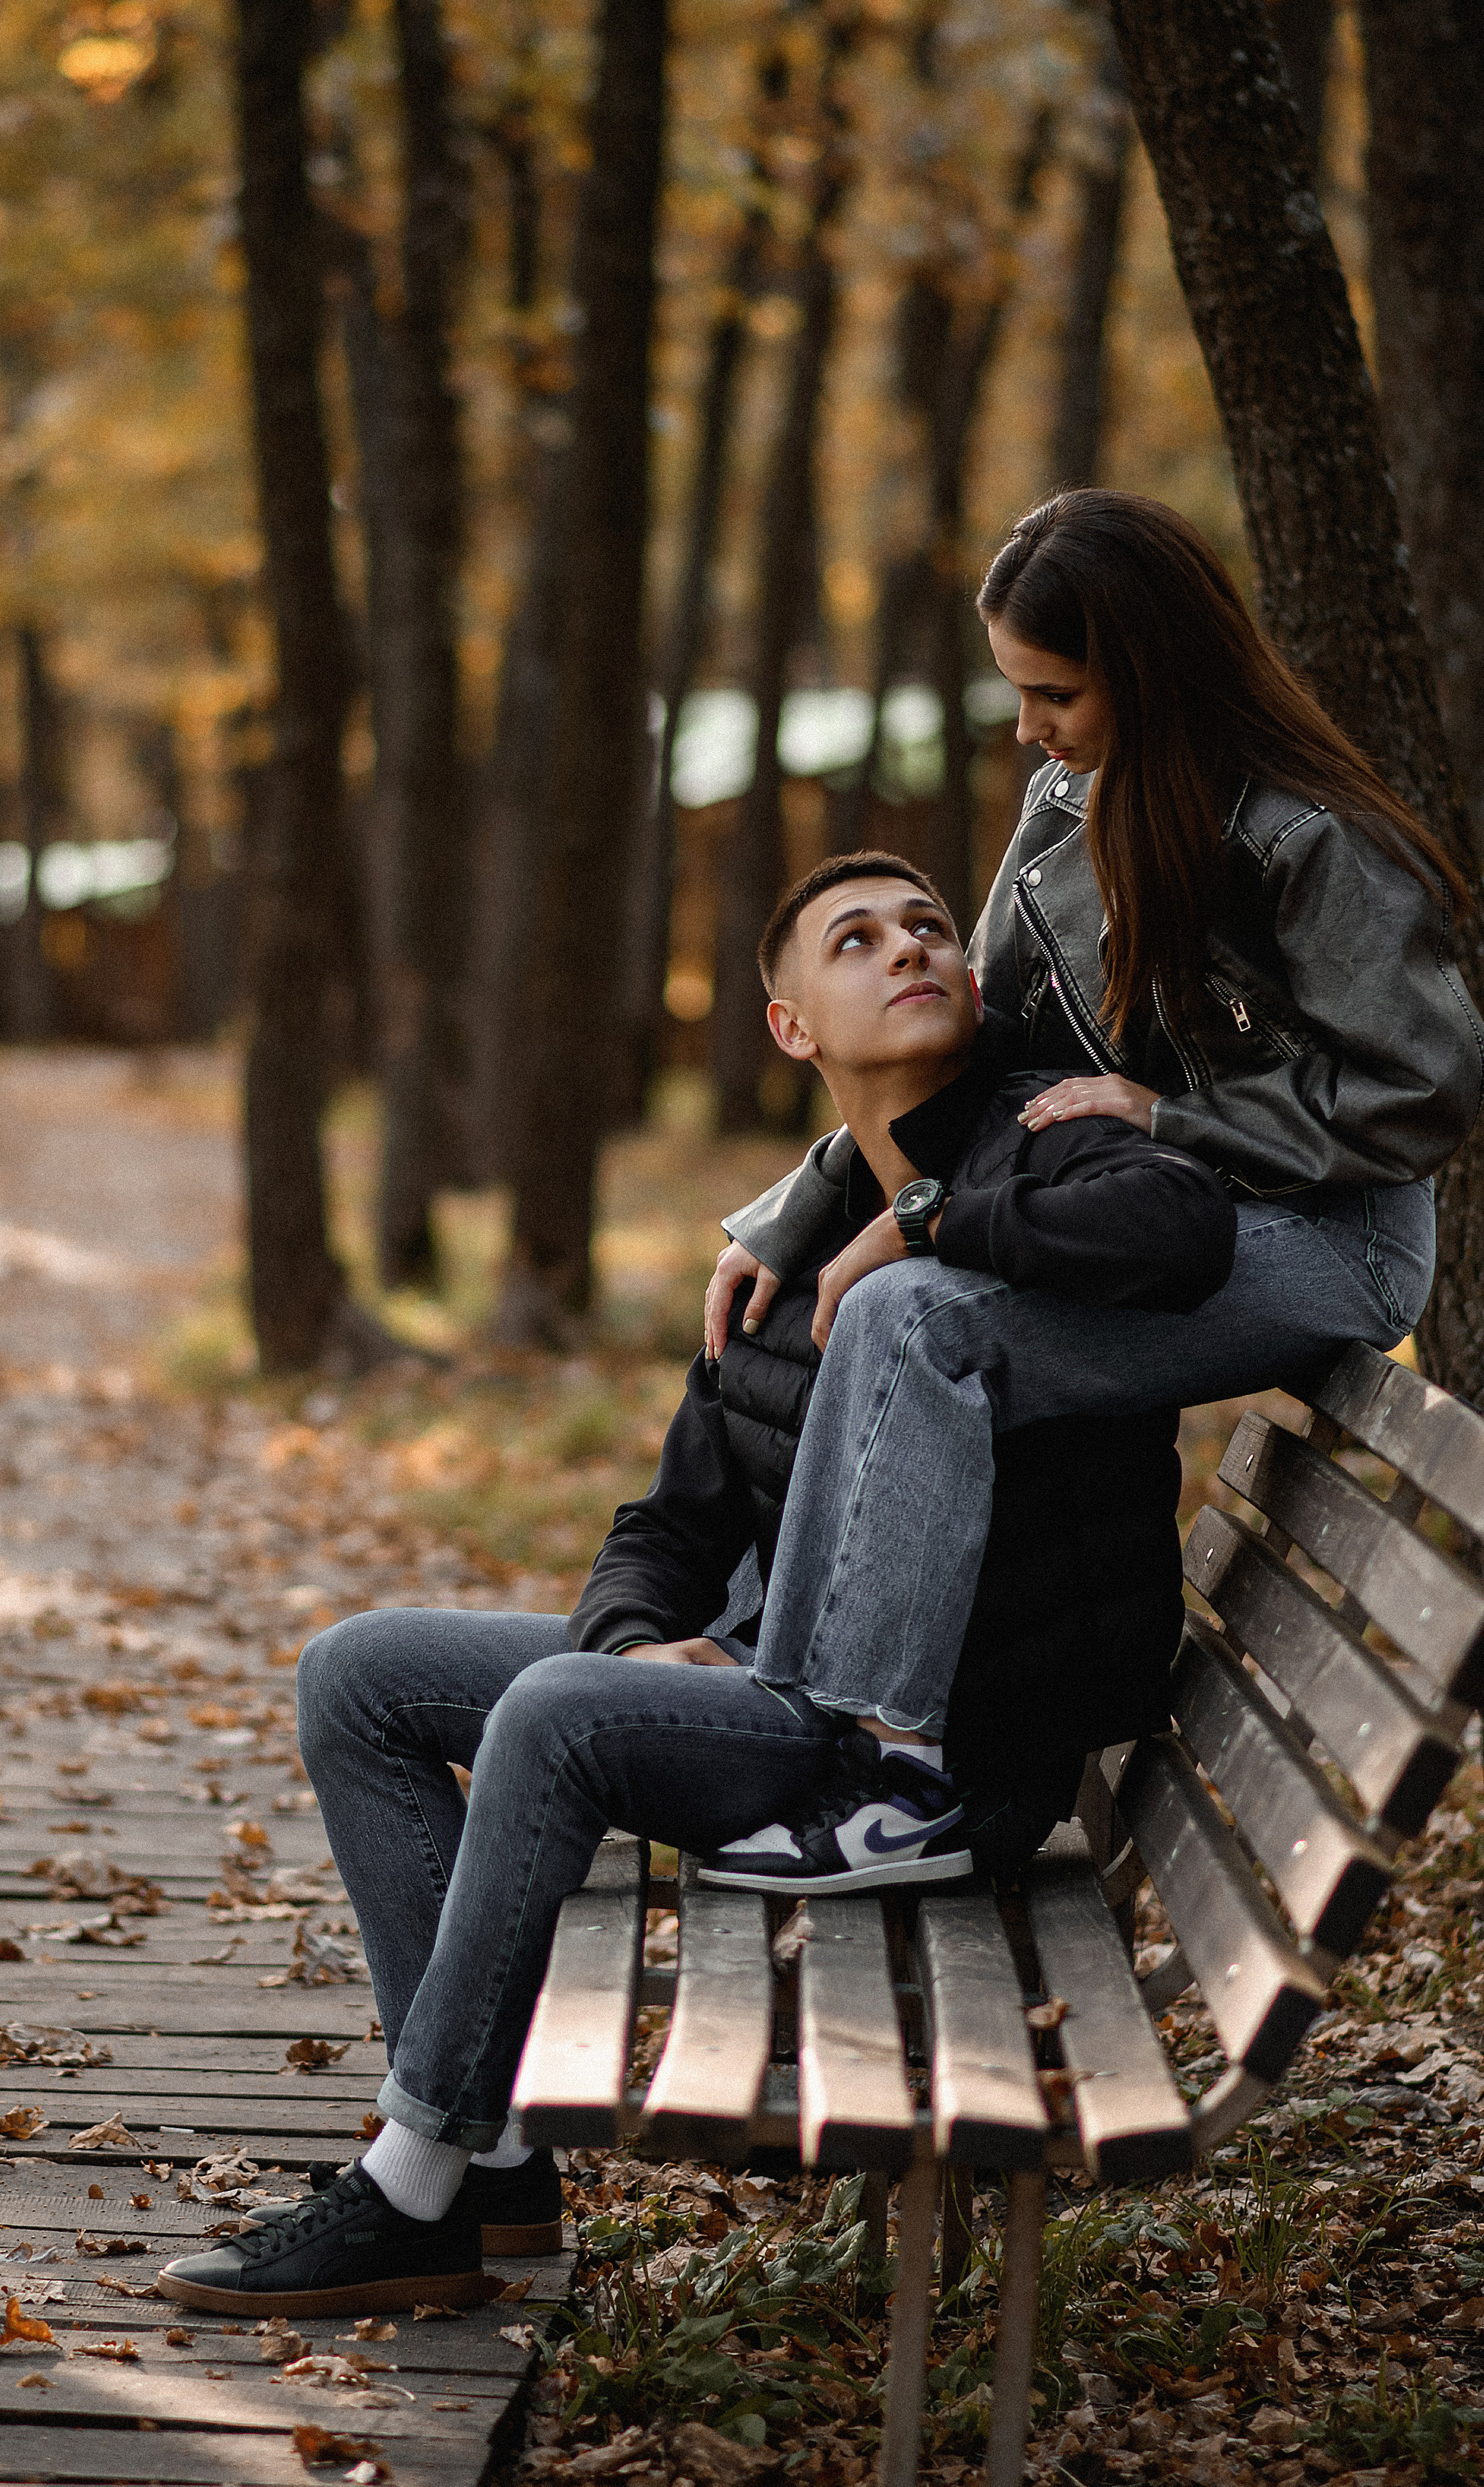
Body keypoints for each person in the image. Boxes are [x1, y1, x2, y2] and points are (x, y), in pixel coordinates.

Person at [153, 848, 1235, 2321]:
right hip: (759, 1681)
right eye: (855, 941)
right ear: (790, 1027)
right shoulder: (782, 1248)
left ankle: (410, 2182)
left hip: (921, 1753)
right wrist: (637, 1643)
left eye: (929, 927)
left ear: (975, 984)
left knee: (548, 1718)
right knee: (359, 1672)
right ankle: (503, 2161)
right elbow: (662, 1522)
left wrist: (927, 1228)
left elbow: (1182, 1231)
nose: (910, 948)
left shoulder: (1041, 1146)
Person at [703, 488, 1484, 1881]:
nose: (1027, 729)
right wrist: (808, 1203)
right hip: (1153, 1209)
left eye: (1050, 692)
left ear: (1144, 665)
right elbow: (987, 1040)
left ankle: (881, 1772)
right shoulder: (1067, 808)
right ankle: (800, 1724)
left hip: (1326, 1241)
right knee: (896, 1311)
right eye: (1016, 692)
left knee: (916, 1318)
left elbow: (1421, 1092)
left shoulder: (1307, 839)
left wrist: (1174, 1116)